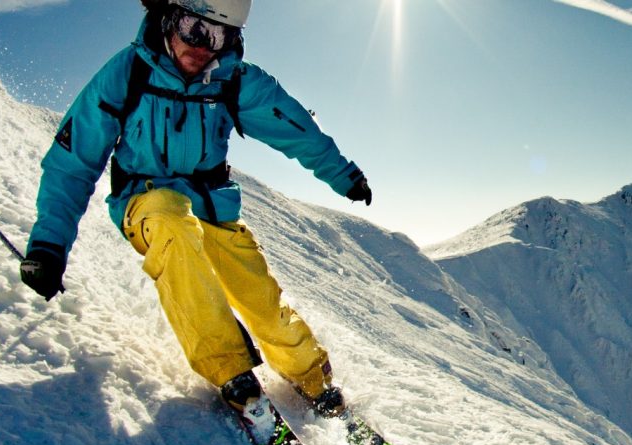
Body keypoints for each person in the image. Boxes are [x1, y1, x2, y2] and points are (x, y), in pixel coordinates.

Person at [19, 0, 372, 420]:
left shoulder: (233, 81)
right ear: (169, 19)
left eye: (221, 37)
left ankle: (312, 376)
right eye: (194, 29)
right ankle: (230, 369)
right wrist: (48, 245)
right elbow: (73, 162)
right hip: (146, 203)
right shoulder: (128, 72)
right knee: (173, 222)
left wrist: (342, 174)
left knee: (258, 296)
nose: (205, 47)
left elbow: (295, 127)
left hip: (212, 206)